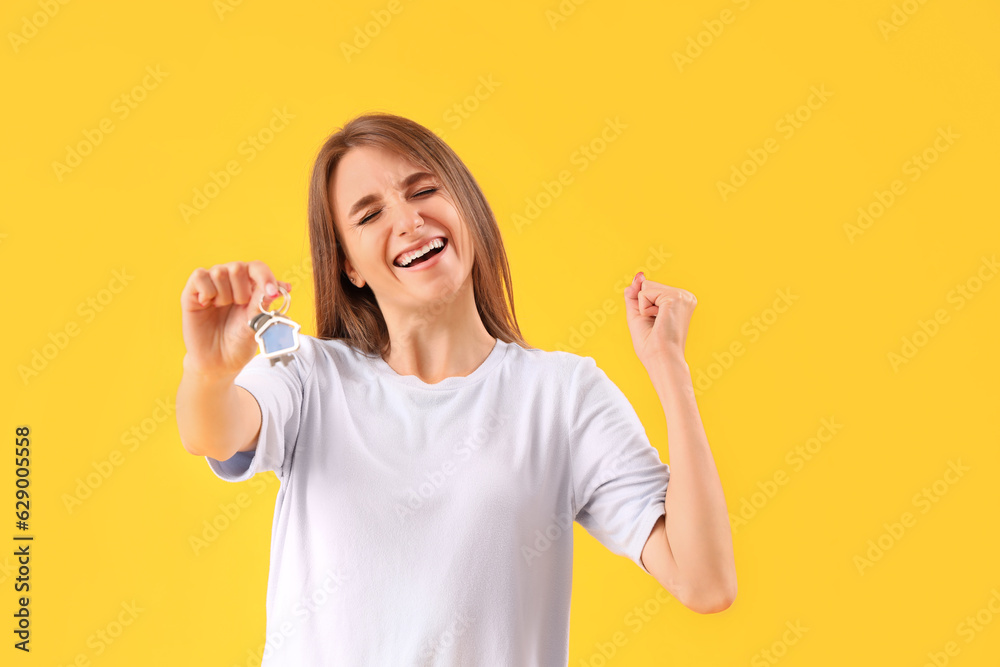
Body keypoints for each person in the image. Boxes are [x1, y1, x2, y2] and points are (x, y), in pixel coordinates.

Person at [176, 112, 736, 666]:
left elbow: (705, 581)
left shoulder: (563, 397)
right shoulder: (305, 373)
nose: (409, 219)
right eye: (369, 214)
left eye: (423, 190)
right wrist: (208, 371)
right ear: (349, 266)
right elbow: (213, 432)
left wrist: (669, 370)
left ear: (465, 207)